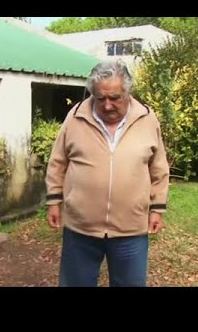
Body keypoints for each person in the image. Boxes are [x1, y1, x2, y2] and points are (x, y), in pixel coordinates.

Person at [44, 59, 170, 287]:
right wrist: (54, 200)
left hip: (130, 228)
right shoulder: (75, 117)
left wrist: (157, 208)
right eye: (100, 98)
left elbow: (159, 168)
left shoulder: (147, 119)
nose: (108, 105)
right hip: (81, 227)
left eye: (115, 98)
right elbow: (57, 161)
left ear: (128, 92)